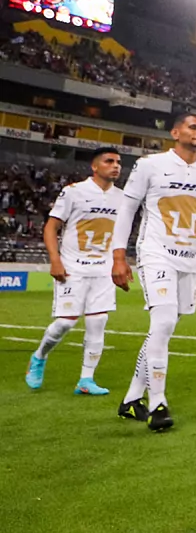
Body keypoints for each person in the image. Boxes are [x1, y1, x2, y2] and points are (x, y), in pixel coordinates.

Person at [110, 112, 196, 432]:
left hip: (191, 259)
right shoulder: (150, 165)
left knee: (162, 330)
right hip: (155, 253)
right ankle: (157, 402)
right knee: (161, 322)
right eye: (193, 127)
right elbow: (127, 209)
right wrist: (119, 256)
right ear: (175, 132)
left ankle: (131, 400)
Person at [26, 148, 124, 394]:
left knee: (98, 321)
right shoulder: (74, 192)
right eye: (109, 161)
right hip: (73, 267)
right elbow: (51, 227)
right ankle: (39, 357)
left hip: (103, 269)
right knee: (65, 323)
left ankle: (86, 381)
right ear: (94, 166)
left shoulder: (123, 198)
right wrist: (55, 259)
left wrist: (120, 262)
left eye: (118, 162)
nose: (115, 166)